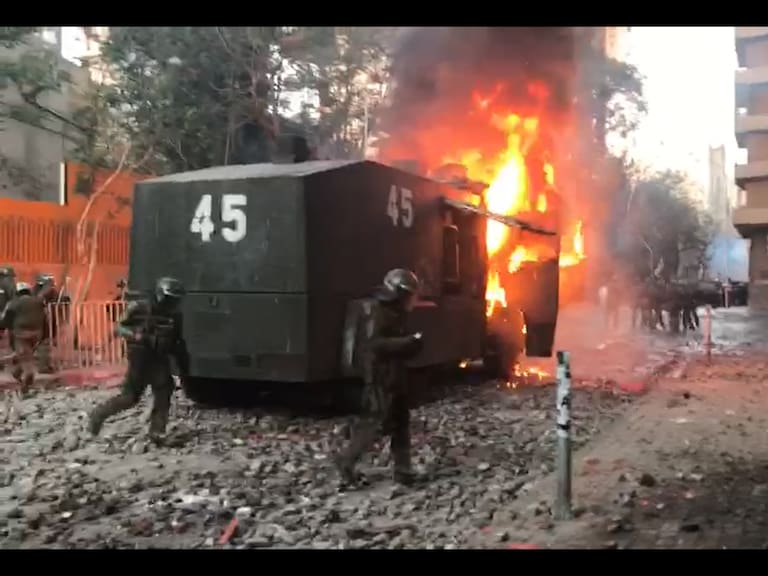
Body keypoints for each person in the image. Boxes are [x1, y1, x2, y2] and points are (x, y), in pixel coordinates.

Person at [335, 268, 424, 486]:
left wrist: (411, 345)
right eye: (409, 294)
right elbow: (375, 345)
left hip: (394, 375)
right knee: (373, 423)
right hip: (381, 377)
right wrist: (408, 342)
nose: (411, 300)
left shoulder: (394, 311)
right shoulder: (378, 310)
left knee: (401, 422)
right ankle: (346, 463)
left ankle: (404, 470)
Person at [88, 277, 189, 443]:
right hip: (140, 356)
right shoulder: (139, 307)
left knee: (164, 392)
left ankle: (157, 432)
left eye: (176, 300)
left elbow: (178, 340)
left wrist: (183, 363)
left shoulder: (175, 316)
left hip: (159, 357)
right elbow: (119, 327)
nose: (173, 303)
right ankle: (98, 416)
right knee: (130, 397)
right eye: (170, 298)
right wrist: (136, 335)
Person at [1, 282, 46, 395]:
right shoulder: (38, 302)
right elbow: (45, 319)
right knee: (26, 355)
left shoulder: (14, 303)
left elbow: (6, 319)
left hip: (21, 335)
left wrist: (4, 329)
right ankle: (17, 373)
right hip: (36, 335)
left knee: (26, 359)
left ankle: (25, 387)